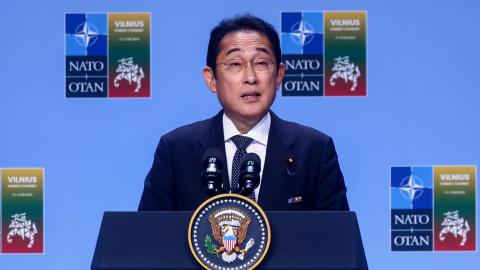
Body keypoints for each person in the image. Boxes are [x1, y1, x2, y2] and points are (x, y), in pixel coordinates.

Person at [138, 14, 349, 211]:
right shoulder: (176, 150)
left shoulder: (315, 150)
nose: (250, 77)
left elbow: (338, 242)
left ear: (278, 76)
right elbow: (148, 238)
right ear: (211, 79)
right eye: (235, 64)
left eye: (261, 63)